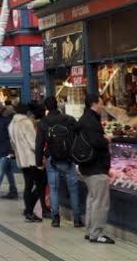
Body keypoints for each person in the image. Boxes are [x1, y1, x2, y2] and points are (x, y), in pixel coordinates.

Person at [36, 96, 83, 228]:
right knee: (73, 189)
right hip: (69, 159)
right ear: (57, 105)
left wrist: (39, 161)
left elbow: (39, 143)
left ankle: (55, 218)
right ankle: (77, 219)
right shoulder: (69, 119)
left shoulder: (44, 122)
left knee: (54, 189)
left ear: (46, 107)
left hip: (52, 159)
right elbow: (78, 134)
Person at [77, 93, 114, 244]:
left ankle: (90, 231)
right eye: (100, 103)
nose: (102, 106)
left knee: (92, 200)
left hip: (86, 166)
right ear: (94, 104)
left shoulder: (84, 119)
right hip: (96, 167)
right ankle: (96, 233)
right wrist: (107, 139)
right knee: (100, 202)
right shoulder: (91, 121)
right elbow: (96, 142)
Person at [10, 102, 45, 222]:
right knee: (40, 183)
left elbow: (13, 143)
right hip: (31, 158)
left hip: (22, 158)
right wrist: (41, 153)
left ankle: (28, 210)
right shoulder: (26, 123)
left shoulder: (12, 124)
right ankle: (29, 212)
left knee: (28, 185)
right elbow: (32, 142)